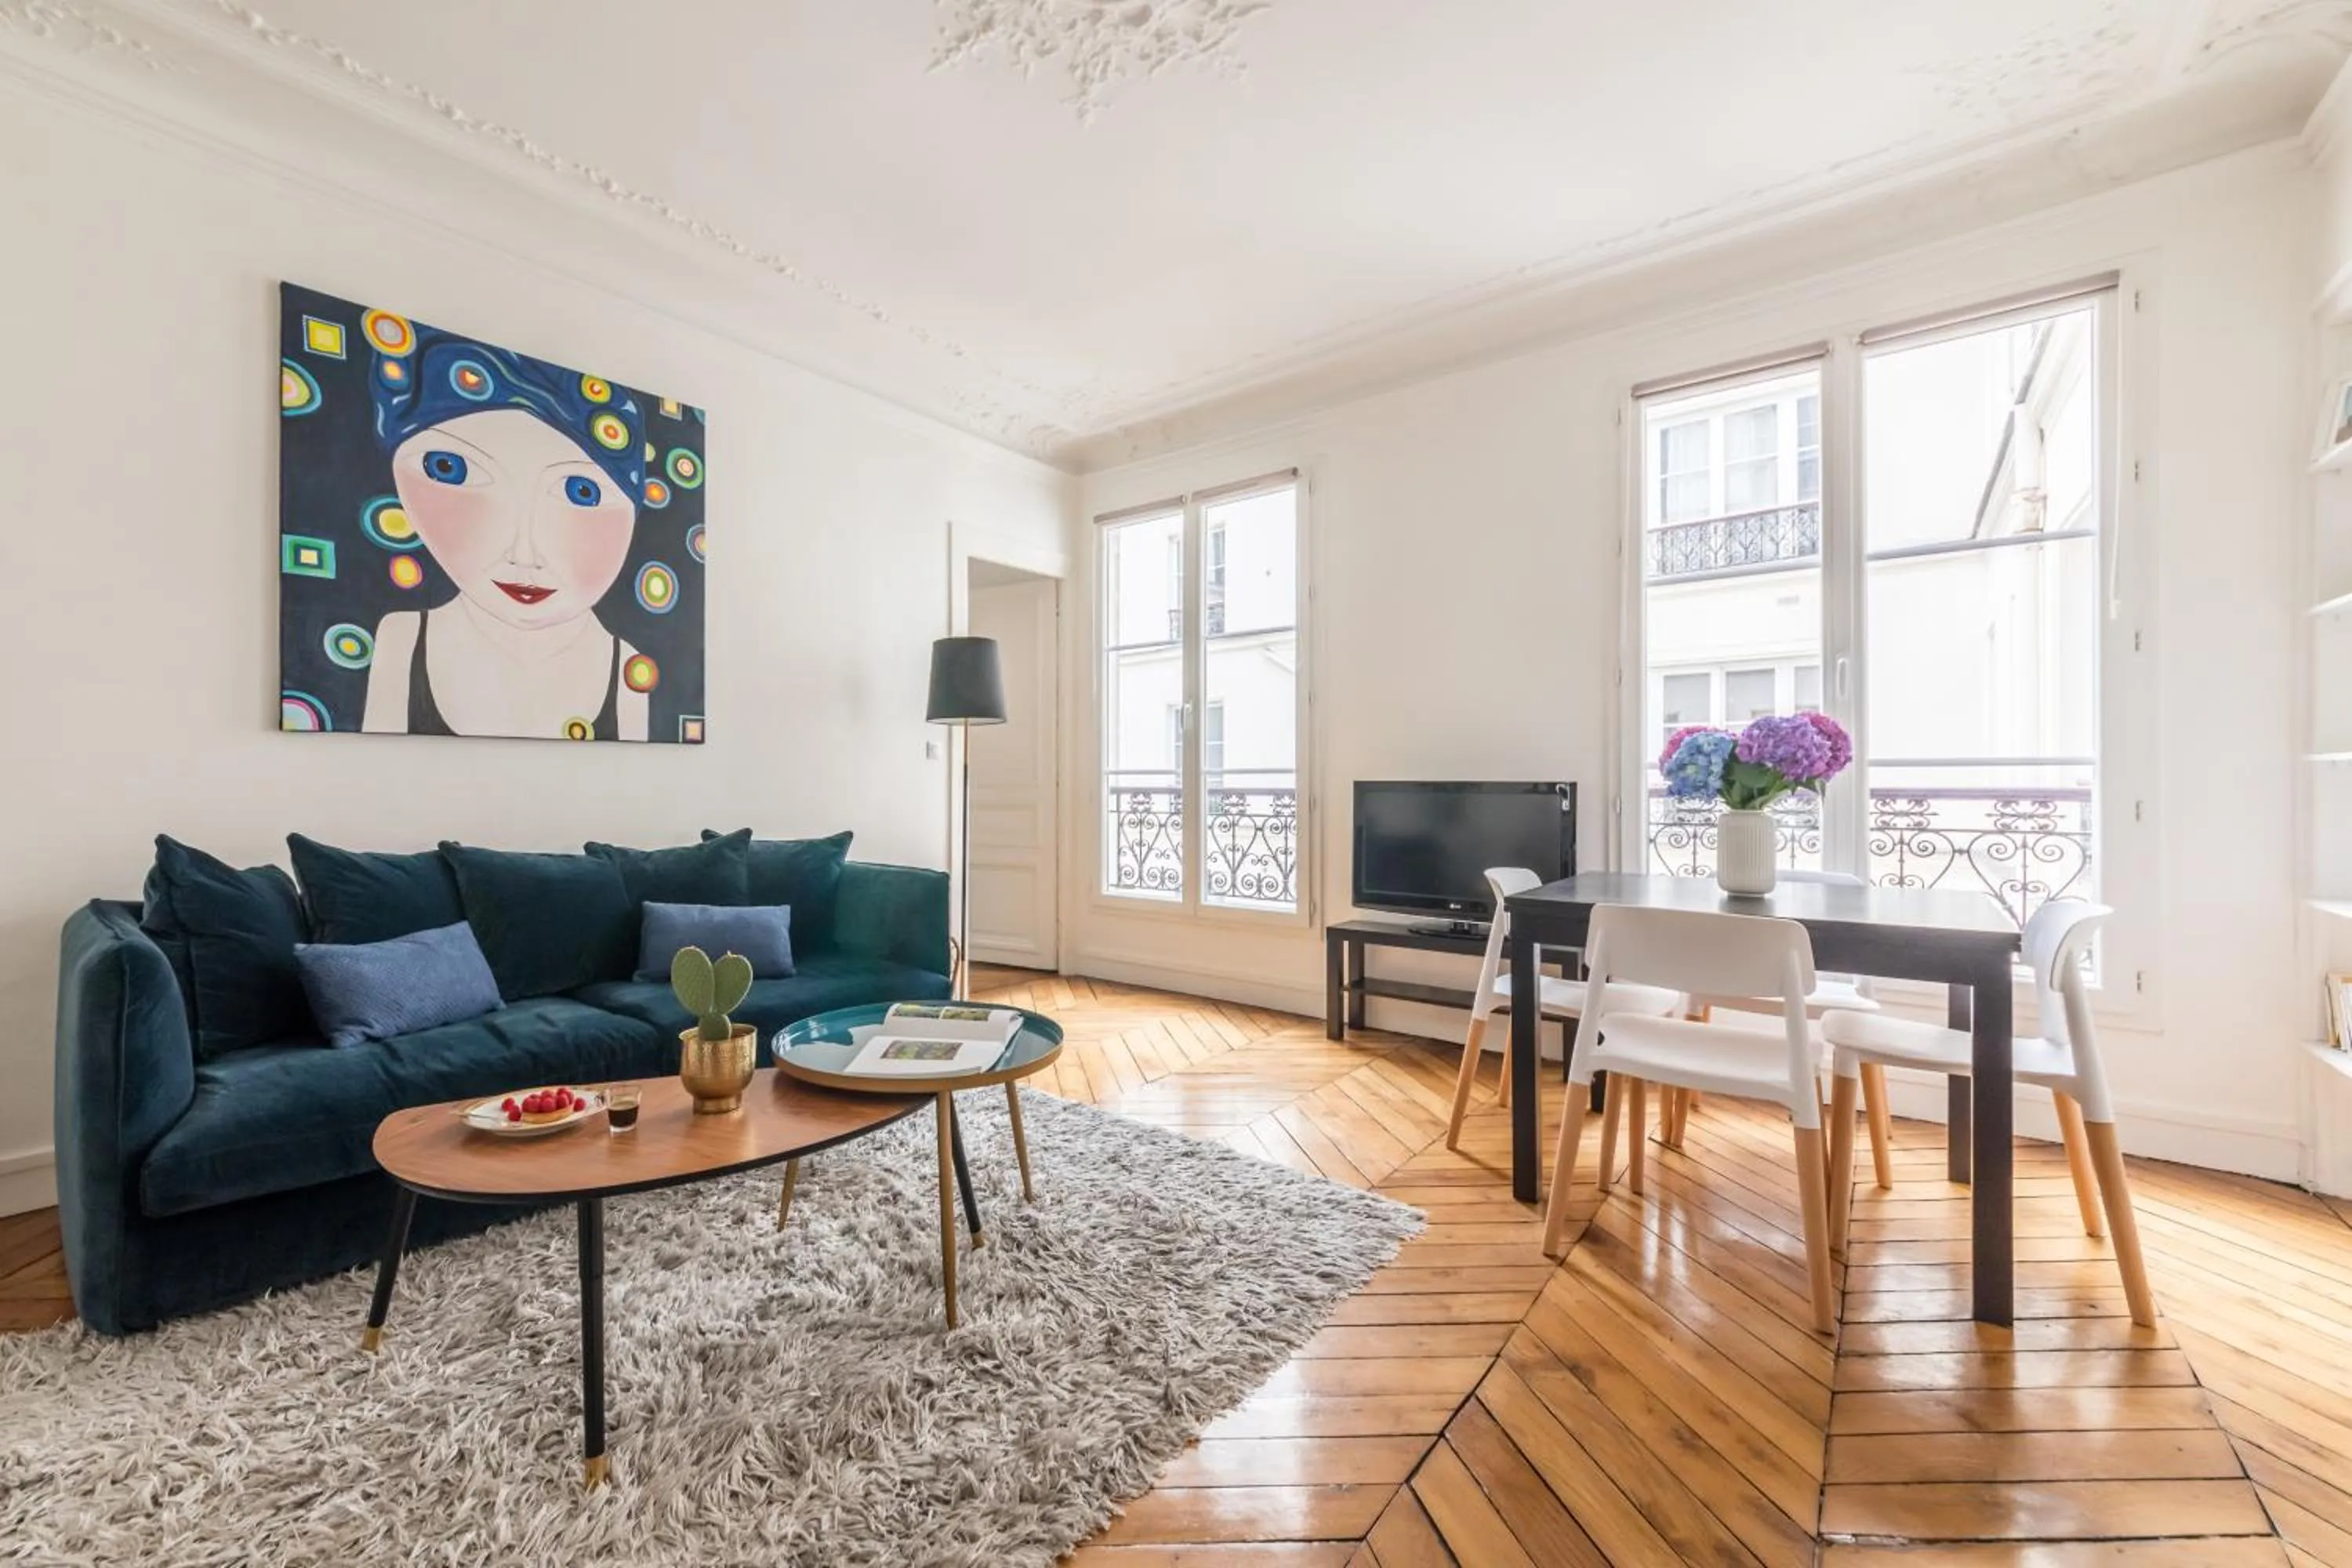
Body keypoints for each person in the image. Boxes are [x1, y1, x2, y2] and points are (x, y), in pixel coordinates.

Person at [357, 315, 650, 741]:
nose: (523, 552)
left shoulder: (627, 669)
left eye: (581, 491)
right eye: (450, 469)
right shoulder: (403, 639)